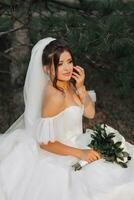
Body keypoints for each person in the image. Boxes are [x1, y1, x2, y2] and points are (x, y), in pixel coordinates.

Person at [0, 37, 134, 200]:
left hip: (79, 140)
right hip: (63, 151)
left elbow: (90, 113)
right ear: (47, 69)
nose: (67, 68)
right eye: (59, 64)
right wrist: (80, 153)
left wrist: (81, 88)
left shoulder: (69, 85)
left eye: (69, 61)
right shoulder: (54, 95)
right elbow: (45, 143)